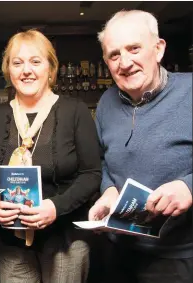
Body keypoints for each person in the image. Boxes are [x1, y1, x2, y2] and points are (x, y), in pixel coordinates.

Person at [0, 29, 102, 283]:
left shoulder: (75, 111)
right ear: (8, 70)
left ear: (50, 68)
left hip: (65, 239)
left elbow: (91, 174)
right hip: (10, 240)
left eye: (36, 61)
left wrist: (56, 207)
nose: (27, 70)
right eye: (17, 63)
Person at [89, 10, 192, 283]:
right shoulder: (106, 103)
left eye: (134, 48)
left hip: (179, 258)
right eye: (114, 54)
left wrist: (189, 186)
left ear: (158, 49)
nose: (125, 62)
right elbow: (103, 161)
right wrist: (108, 190)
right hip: (116, 252)